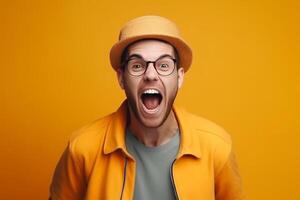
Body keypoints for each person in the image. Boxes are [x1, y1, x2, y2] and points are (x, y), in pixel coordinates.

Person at [49, 15, 244, 200]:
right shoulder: (82, 148)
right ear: (121, 78)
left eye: (164, 65)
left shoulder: (217, 147)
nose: (150, 75)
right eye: (137, 65)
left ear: (179, 77)